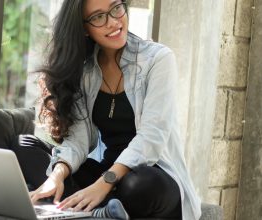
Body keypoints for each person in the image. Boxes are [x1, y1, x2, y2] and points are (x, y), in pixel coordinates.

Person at [18, 0, 202, 219]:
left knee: (137, 185)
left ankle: (100, 207)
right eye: (98, 17)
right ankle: (104, 211)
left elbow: (152, 138)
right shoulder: (84, 71)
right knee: (25, 147)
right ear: (84, 28)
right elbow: (78, 141)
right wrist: (56, 176)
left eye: (116, 8)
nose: (113, 22)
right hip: (107, 175)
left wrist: (103, 184)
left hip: (152, 177)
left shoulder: (158, 59)